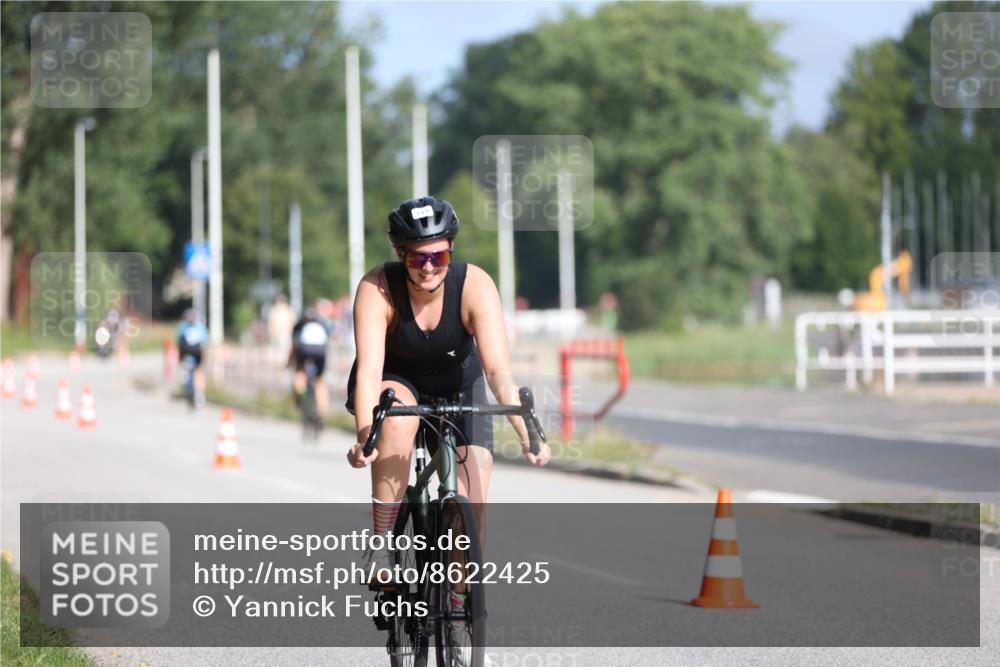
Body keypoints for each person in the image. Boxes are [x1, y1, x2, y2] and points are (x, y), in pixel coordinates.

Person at [344, 196, 551, 581]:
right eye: (416, 258)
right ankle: (382, 545)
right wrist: (364, 439)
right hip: (397, 381)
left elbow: (498, 371)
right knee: (396, 422)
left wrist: (527, 435)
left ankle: (459, 594)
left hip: (459, 383)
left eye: (437, 257)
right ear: (400, 254)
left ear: (451, 251)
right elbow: (370, 371)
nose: (428, 268)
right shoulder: (377, 288)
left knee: (472, 506)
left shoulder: (475, 285)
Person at [289, 305, 331, 418]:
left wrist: (290, 362)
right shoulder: (321, 324)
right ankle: (322, 412)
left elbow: (294, 347)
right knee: (319, 380)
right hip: (320, 350)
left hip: (305, 348)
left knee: (300, 372)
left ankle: (299, 395)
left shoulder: (299, 325)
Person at [176, 308, 209, 404]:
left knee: (190, 371)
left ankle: (192, 390)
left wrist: (180, 358)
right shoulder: (200, 327)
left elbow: (179, 343)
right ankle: (199, 393)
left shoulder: (183, 326)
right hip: (197, 353)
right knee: (198, 372)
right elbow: (205, 343)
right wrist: (205, 357)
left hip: (189, 354)